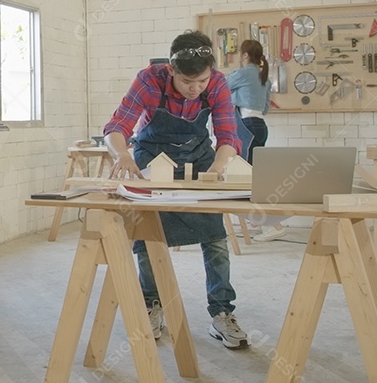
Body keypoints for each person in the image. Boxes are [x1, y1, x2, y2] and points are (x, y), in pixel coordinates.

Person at [102, 30, 249, 349]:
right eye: (187, 82)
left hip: (199, 154)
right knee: (147, 233)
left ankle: (222, 311)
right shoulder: (148, 79)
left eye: (202, 82)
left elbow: (228, 136)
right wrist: (122, 154)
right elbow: (116, 127)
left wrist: (217, 169)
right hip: (151, 154)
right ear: (171, 70)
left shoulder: (219, 83)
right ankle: (151, 304)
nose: (196, 89)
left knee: (215, 236)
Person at [226, 40, 286, 242]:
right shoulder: (264, 77)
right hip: (260, 126)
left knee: (247, 179)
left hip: (246, 127)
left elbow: (220, 89)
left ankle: (272, 225)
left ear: (244, 55)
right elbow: (267, 108)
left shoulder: (243, 74)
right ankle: (258, 221)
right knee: (254, 177)